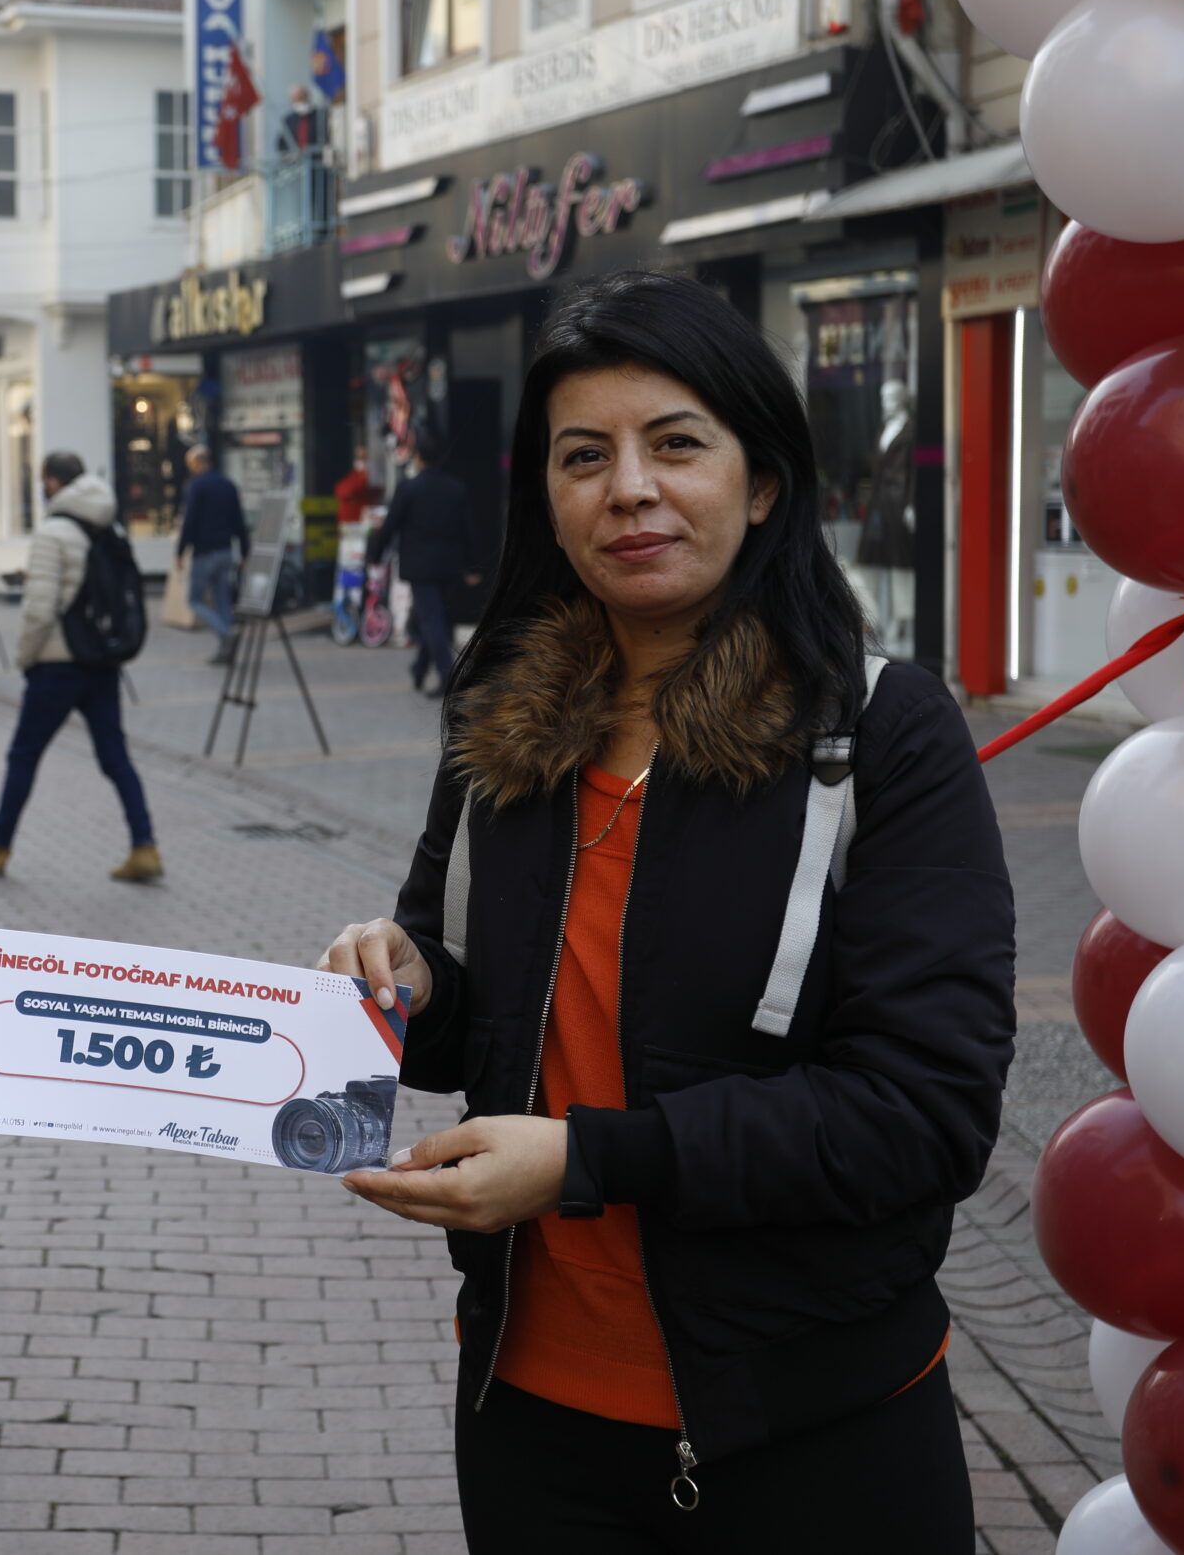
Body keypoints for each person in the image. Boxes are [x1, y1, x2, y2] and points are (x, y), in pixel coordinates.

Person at [317, 271, 1013, 1552]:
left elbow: (924, 1117)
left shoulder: (877, 736)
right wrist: (398, 985)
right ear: (550, 497)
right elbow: (454, 1025)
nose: (627, 487)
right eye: (584, 457)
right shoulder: (504, 731)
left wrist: (588, 1161)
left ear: (760, 484)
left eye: (674, 444)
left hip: (812, 1425)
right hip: (530, 1414)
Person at [0, 452, 160, 884]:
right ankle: (145, 847)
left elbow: (41, 611)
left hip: (58, 666)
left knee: (24, 753)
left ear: (53, 483)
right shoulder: (107, 526)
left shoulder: (54, 532)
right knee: (115, 756)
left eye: (44, 482)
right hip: (101, 662)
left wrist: (25, 658)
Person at [370, 429, 477, 696]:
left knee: (431, 620)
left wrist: (375, 554)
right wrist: (473, 566)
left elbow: (390, 526)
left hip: (420, 566)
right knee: (431, 618)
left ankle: (448, 676)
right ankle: (419, 670)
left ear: (418, 457)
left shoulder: (409, 488)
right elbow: (469, 530)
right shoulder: (456, 488)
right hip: (450, 566)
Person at [176, 444, 247, 665]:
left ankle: (225, 633)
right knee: (222, 601)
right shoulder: (228, 485)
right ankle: (225, 651)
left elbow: (190, 520)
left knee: (195, 600)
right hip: (226, 550)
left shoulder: (196, 486)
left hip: (204, 552)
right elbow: (239, 521)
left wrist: (181, 550)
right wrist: (245, 551)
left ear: (197, 463)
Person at [333, 443, 375, 528]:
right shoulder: (353, 476)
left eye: (364, 458)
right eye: (359, 457)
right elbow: (341, 491)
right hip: (349, 523)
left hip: (363, 522)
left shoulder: (370, 476)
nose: (361, 461)